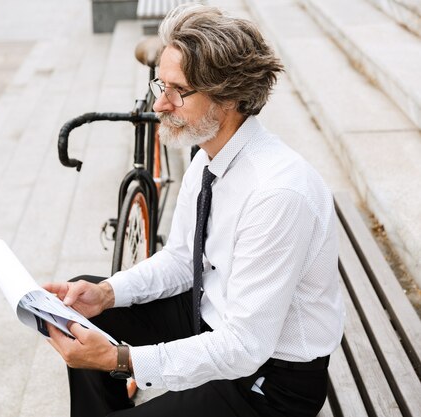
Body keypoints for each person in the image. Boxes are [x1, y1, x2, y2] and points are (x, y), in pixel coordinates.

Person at [44, 4, 344, 417]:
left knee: (102, 345)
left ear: (229, 99)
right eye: (159, 85)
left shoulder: (278, 195)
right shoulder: (210, 157)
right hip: (213, 321)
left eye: (178, 91)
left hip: (268, 385)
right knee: (83, 309)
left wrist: (120, 359)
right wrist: (108, 293)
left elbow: (244, 347)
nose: (161, 105)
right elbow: (184, 257)